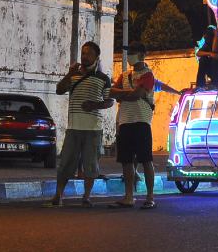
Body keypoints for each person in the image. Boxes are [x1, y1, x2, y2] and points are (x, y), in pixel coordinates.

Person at [47, 41, 112, 207]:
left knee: (91, 164)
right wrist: (69, 74)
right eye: (83, 53)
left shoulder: (103, 79)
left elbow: (109, 101)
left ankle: (86, 196)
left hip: (93, 129)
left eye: (89, 54)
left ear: (97, 57)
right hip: (73, 128)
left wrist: (94, 105)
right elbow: (59, 90)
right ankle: (58, 195)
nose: (85, 56)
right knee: (66, 163)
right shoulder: (74, 75)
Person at [109, 41, 157, 209]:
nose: (129, 56)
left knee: (146, 160)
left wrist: (122, 94)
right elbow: (111, 92)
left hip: (141, 121)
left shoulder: (148, 75)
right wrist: (126, 94)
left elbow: (137, 95)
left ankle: (150, 197)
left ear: (143, 55)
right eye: (129, 52)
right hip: (125, 121)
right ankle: (129, 196)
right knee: (126, 161)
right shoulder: (124, 75)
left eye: (133, 52)